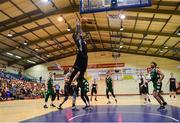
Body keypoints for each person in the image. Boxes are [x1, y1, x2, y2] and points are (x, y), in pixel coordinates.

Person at [68, 19, 88, 85]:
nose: (80, 34)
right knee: (76, 69)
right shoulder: (77, 39)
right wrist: (77, 25)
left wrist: (80, 25)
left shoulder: (82, 38)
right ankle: (70, 80)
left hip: (85, 56)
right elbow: (77, 31)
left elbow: (80, 32)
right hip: (80, 55)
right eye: (78, 34)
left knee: (83, 70)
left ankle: (79, 80)